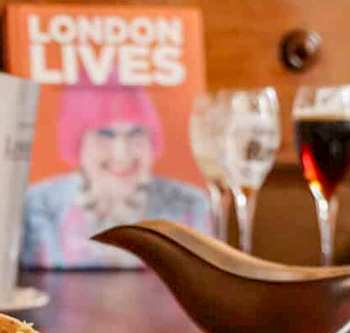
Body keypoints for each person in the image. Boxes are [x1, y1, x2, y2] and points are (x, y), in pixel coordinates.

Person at [21, 85, 209, 269]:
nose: (121, 153)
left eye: (136, 133)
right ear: (78, 143)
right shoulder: (39, 204)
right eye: (105, 134)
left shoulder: (190, 204)